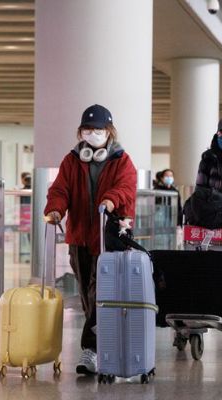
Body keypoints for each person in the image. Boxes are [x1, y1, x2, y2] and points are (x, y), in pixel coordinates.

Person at [44, 104, 137, 375]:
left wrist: (111, 200)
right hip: (80, 237)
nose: (92, 133)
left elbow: (126, 187)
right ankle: (101, 343)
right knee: (87, 292)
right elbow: (60, 188)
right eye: (87, 129)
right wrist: (55, 209)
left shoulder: (122, 160)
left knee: (101, 292)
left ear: (109, 131)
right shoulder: (72, 160)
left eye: (98, 129)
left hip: (110, 236)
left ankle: (91, 350)